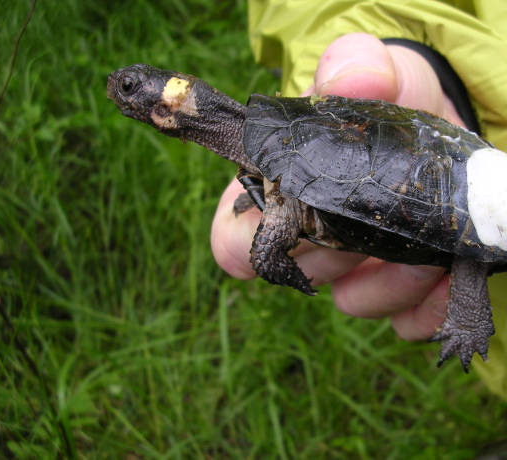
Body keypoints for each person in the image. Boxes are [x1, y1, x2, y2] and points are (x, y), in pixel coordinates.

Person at [210, 0, 507, 400]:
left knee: (468, 251)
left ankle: (469, 322)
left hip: (459, 209)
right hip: (465, 170)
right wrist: (432, 68)